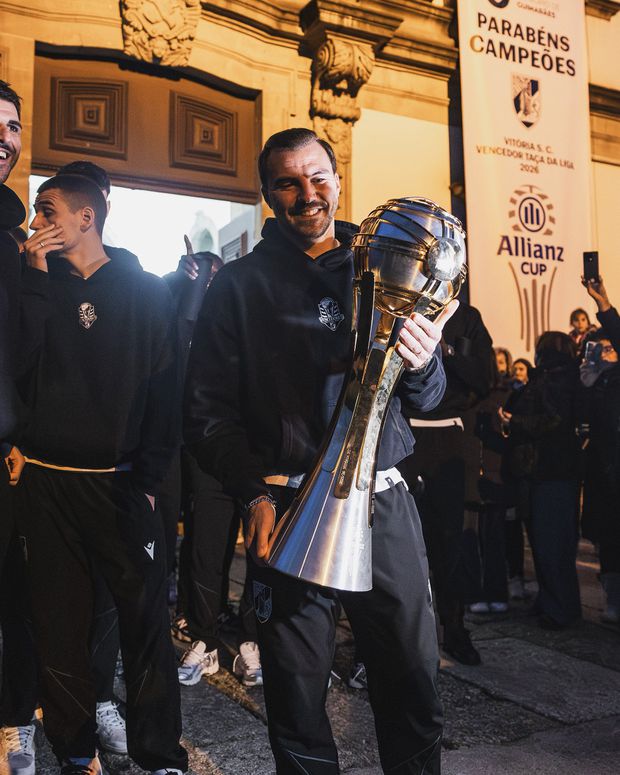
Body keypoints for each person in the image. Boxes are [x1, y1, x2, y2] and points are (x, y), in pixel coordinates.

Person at [185, 127, 453, 774]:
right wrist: (251, 492)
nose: (309, 194)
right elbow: (206, 410)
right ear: (268, 194)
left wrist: (423, 362)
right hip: (287, 504)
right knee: (297, 697)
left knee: (412, 682)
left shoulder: (387, 258)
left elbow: (428, 394)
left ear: (338, 177)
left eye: (319, 177)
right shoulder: (239, 285)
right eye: (289, 181)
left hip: (382, 503)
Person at [15, 174, 187, 775]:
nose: (35, 225)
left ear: (86, 218)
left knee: (144, 624)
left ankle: (160, 753)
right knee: (58, 624)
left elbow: (170, 386)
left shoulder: (145, 290)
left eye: (46, 212)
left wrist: (153, 473)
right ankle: (75, 749)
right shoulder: (32, 284)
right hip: (45, 478)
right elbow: (18, 370)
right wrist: (32, 284)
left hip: (121, 483)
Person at [398, 301, 495, 665]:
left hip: (450, 436)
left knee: (450, 542)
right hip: (402, 435)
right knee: (399, 543)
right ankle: (396, 637)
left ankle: (454, 628)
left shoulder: (467, 317)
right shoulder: (403, 300)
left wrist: (445, 350)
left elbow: (484, 378)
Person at [500, 332, 581, 629]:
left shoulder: (557, 380)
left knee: (552, 544)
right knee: (545, 542)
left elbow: (553, 420)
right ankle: (551, 601)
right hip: (545, 471)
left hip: (552, 471)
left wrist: (515, 422)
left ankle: (560, 608)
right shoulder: (554, 378)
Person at [580, 276, 620, 623]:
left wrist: (603, 304)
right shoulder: (593, 383)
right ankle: (612, 595)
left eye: (611, 348)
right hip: (603, 471)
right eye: (601, 348)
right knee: (608, 535)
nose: (606, 353)